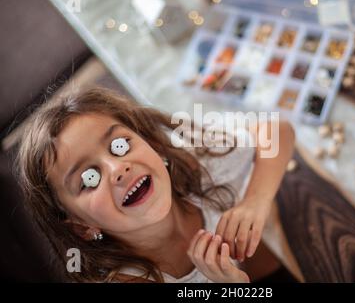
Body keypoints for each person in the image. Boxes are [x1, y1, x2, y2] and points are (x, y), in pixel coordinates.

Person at [15, 87, 296, 282]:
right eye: (90, 178)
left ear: (154, 144)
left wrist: (254, 203)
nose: (117, 168)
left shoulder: (193, 167)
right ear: (81, 226)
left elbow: (276, 129)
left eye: (119, 145)